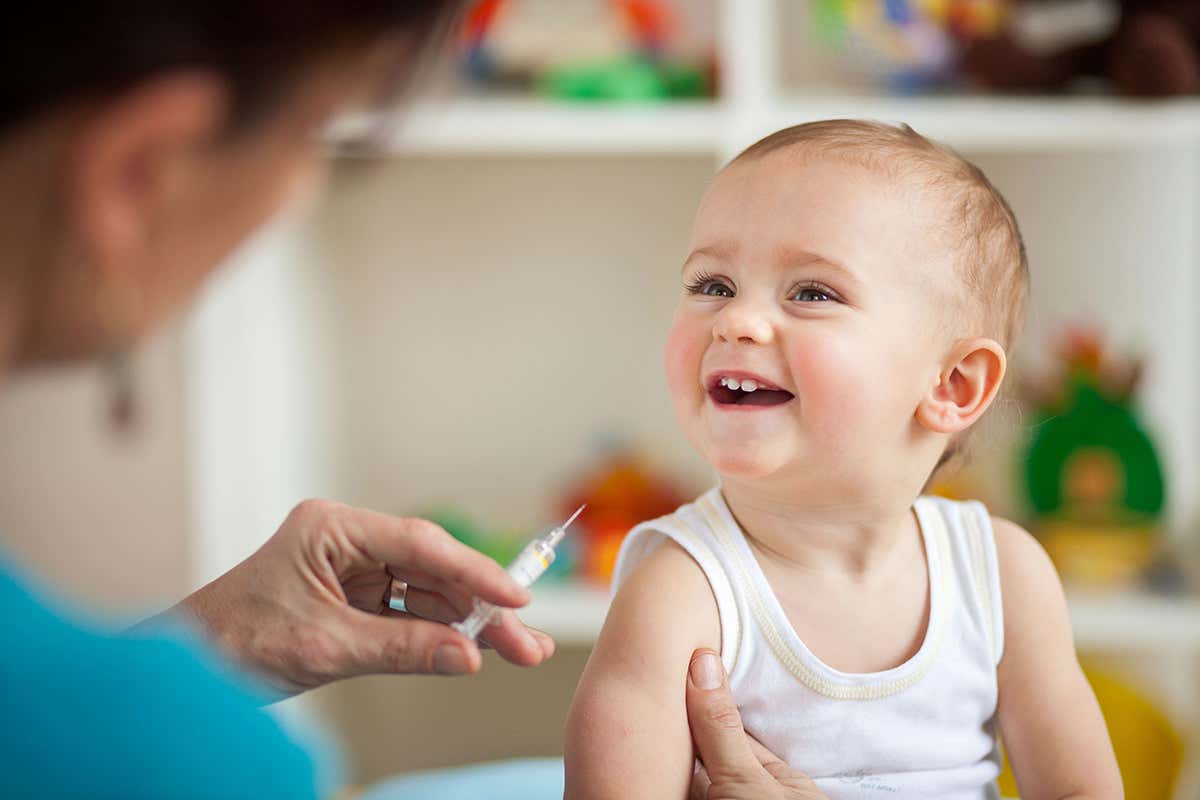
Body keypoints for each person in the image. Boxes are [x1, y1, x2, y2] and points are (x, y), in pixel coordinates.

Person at [0, 3, 796, 798]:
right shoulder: (183, 756)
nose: (739, 322)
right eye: (317, 139)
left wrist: (218, 638)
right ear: (141, 169)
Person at [564, 120, 1124, 799]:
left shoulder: (1003, 578)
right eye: (712, 283)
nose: (735, 320)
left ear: (952, 386)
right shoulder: (683, 593)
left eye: (811, 293)